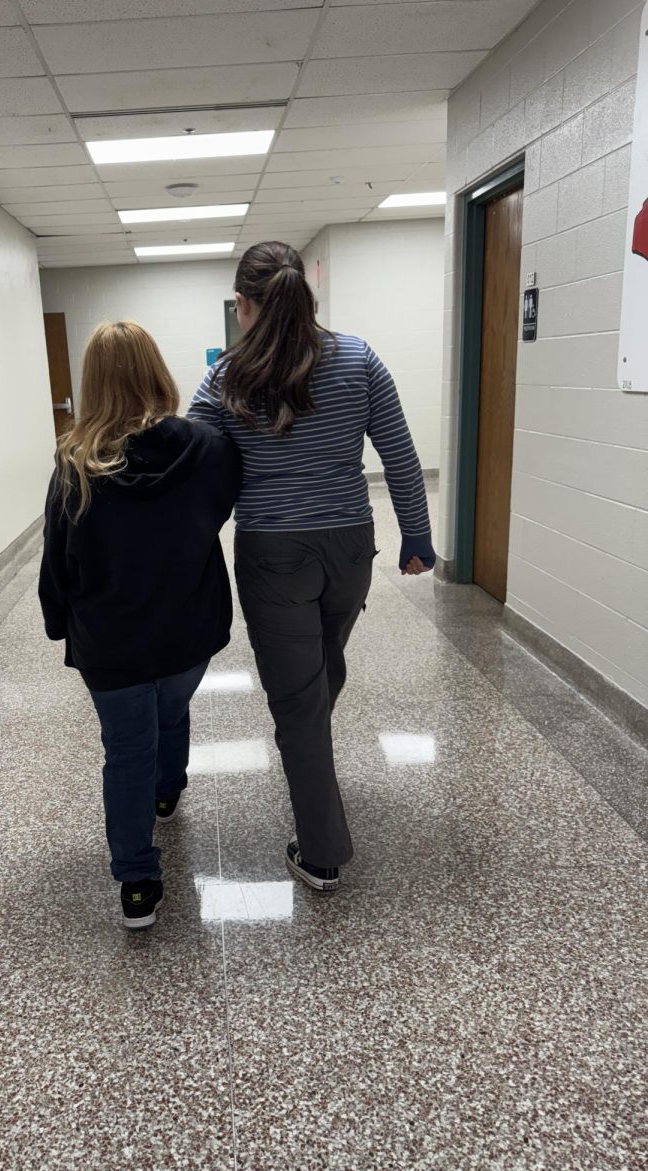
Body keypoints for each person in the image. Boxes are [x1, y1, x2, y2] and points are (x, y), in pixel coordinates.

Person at [190, 241, 434, 894]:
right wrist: (418, 536)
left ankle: (322, 854)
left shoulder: (225, 377)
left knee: (301, 698)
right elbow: (402, 458)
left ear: (243, 306)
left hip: (274, 553)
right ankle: (312, 762)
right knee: (323, 667)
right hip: (350, 546)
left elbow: (185, 465)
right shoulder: (358, 358)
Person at [39, 321, 240, 929]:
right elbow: (219, 511)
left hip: (111, 641)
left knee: (126, 750)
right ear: (157, 369)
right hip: (189, 628)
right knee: (173, 710)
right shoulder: (207, 448)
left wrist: (58, 623)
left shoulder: (75, 463)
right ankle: (168, 787)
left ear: (93, 382)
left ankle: (136, 883)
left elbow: (58, 556)